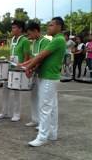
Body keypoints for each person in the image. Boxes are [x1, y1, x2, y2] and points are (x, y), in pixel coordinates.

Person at [20, 17, 66, 147]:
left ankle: (42, 137)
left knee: (45, 107)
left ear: (59, 27)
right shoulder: (58, 40)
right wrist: (26, 63)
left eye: (51, 25)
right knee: (52, 107)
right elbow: (39, 57)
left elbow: (41, 56)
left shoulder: (57, 40)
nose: (48, 27)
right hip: (49, 76)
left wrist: (28, 67)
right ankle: (52, 133)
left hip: (48, 77)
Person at [0, 20, 31, 121]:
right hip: (9, 68)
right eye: (12, 27)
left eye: (14, 27)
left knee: (16, 93)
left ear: (20, 29)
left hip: (18, 70)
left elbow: (27, 56)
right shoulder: (12, 39)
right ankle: (4, 112)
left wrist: (23, 67)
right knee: (5, 91)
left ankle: (16, 114)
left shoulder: (25, 41)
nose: (12, 29)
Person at [25, 22, 50, 127]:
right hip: (35, 73)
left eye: (30, 33)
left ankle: (42, 123)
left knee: (42, 99)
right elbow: (33, 58)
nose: (29, 36)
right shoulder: (34, 43)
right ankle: (35, 119)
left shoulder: (45, 41)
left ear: (36, 31)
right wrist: (24, 64)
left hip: (43, 74)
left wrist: (30, 67)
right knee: (34, 97)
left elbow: (41, 58)